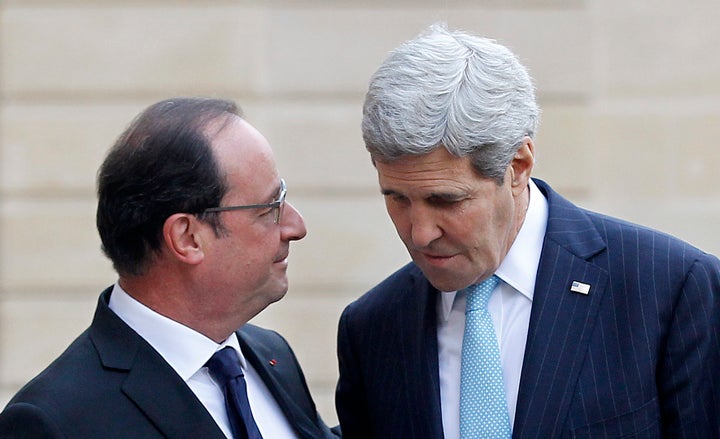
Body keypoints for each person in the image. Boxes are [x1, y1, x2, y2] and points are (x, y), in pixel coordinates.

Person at [335, 24, 720, 439]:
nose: (421, 233)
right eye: (397, 199)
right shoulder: (372, 328)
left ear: (517, 166)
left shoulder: (670, 290)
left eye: (446, 200)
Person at [0, 97, 339, 439]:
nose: (296, 226)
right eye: (269, 208)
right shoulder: (53, 422)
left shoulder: (269, 355)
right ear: (187, 237)